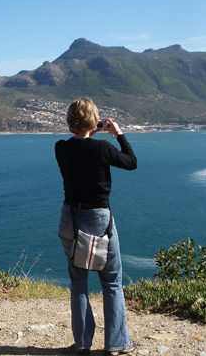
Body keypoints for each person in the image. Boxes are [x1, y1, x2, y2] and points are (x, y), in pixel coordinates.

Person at [55, 97, 137, 356]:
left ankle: (82, 344)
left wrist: (91, 129)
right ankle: (116, 343)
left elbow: (81, 144)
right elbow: (131, 161)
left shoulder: (61, 148)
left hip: (71, 218)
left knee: (78, 283)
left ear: (70, 121)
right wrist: (118, 133)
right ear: (94, 121)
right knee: (111, 282)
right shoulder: (103, 148)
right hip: (98, 219)